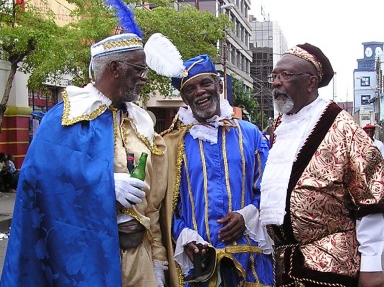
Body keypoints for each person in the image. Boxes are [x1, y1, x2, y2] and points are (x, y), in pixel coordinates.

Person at [0, 32, 169, 286]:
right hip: (88, 261)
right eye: (138, 69)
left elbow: (154, 202)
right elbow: (40, 183)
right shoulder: (65, 117)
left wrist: (157, 259)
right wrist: (104, 185)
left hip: (139, 262)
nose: (144, 77)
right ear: (115, 68)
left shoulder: (141, 123)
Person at [259, 43, 384, 286]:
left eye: (286, 75)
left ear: (311, 82)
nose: (276, 82)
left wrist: (371, 266)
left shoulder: (343, 127)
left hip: (332, 266)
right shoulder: (279, 127)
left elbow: (370, 199)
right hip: (286, 265)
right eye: (274, 75)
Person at [161, 54, 274, 286]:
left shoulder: (250, 134)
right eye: (191, 88)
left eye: (205, 83)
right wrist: (184, 237)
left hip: (249, 263)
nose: (200, 92)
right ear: (184, 97)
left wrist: (247, 216)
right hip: (199, 267)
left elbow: (271, 189)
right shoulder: (171, 144)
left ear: (219, 85)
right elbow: (164, 208)